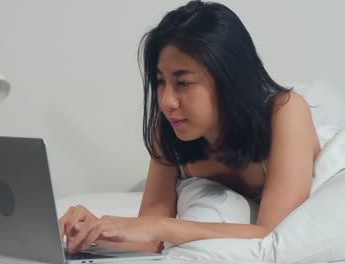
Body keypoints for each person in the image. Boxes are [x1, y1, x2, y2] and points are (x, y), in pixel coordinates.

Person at [59, 0, 321, 254]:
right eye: (161, 82)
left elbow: (273, 234)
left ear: (227, 78)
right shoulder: (170, 131)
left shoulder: (286, 112)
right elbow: (148, 238)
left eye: (183, 83)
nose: (166, 101)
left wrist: (163, 226)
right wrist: (92, 233)